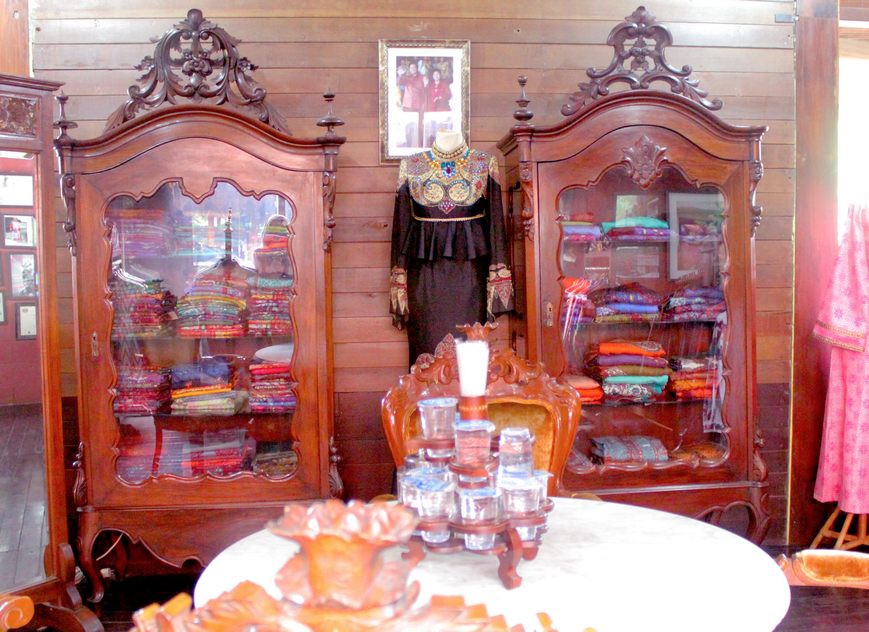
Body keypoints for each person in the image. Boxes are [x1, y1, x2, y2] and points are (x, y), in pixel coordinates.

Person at [389, 130, 514, 366]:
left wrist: (498, 283)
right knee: (426, 354)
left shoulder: (484, 163)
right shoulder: (411, 166)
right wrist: (399, 286)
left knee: (468, 354)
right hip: (425, 281)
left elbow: (496, 226)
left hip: (471, 280)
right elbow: (401, 228)